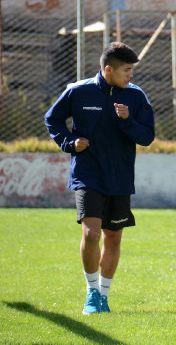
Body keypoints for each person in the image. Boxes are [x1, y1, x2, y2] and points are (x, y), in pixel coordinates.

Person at [44, 42, 155, 315]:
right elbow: (52, 119)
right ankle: (91, 293)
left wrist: (127, 120)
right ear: (108, 69)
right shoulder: (78, 91)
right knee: (91, 233)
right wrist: (69, 142)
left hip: (119, 177)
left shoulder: (136, 96)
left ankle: (104, 295)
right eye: (127, 70)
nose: (131, 76)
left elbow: (147, 137)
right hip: (87, 174)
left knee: (113, 238)